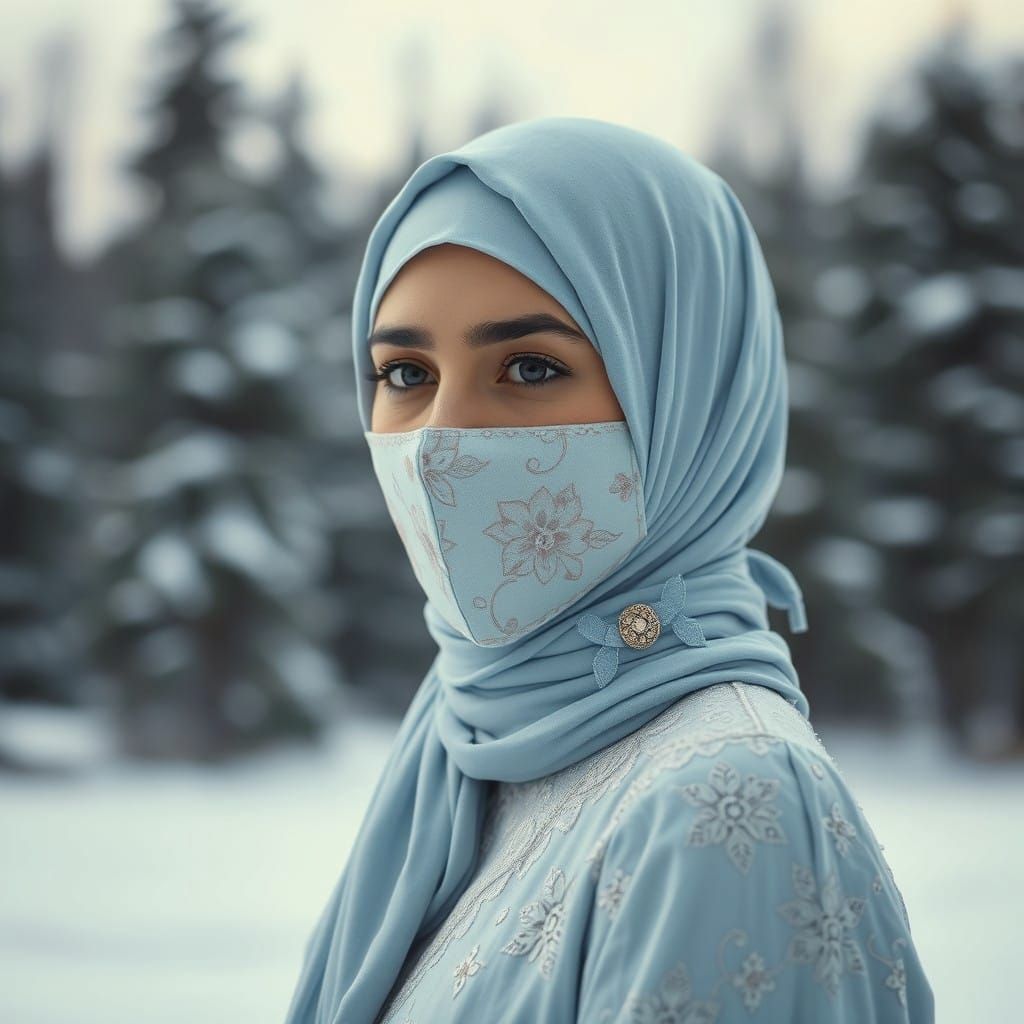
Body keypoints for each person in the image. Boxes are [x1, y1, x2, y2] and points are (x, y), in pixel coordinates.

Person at [284, 116, 935, 1024]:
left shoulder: (729, 804)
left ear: (689, 393)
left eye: (529, 367)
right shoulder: (463, 734)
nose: (440, 444)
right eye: (404, 375)